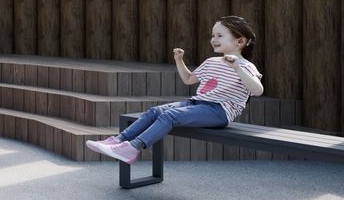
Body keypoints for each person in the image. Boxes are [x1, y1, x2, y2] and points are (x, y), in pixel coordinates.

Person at [86, 15, 263, 164]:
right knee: (155, 111)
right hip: (197, 104)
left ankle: (133, 148)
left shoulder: (245, 66)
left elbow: (257, 90)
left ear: (240, 41)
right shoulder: (211, 62)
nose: (213, 39)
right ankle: (117, 141)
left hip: (220, 111)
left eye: (219, 35)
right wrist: (179, 60)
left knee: (170, 115)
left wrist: (237, 69)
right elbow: (188, 79)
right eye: (212, 35)